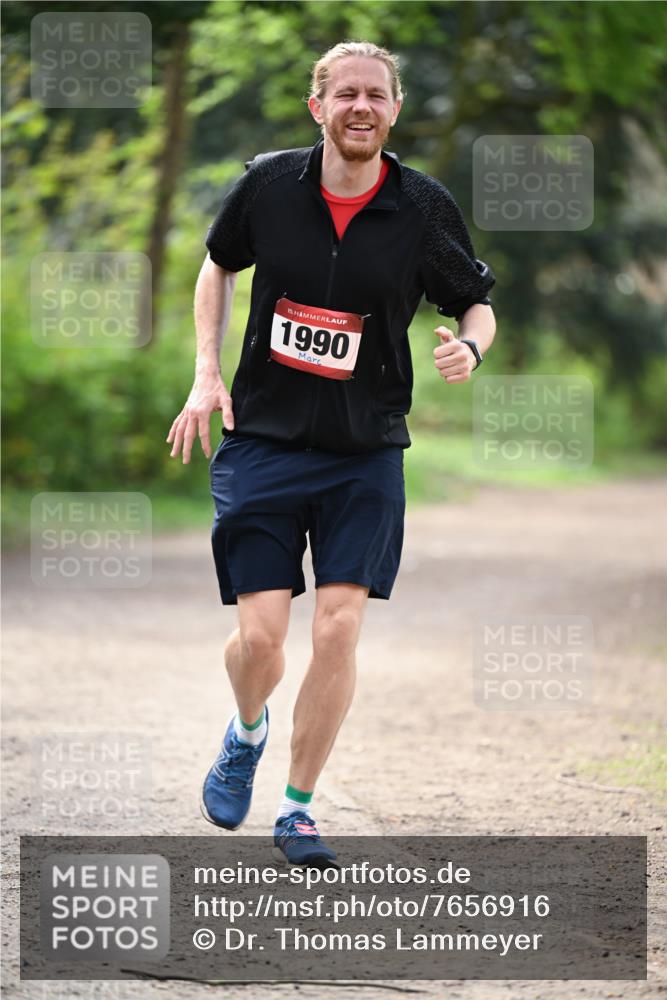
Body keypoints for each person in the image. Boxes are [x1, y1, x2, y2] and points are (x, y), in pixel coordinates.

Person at [167, 41, 496, 867]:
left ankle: (299, 808)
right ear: (318, 107)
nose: (361, 107)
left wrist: (470, 349)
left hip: (364, 451)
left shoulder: (422, 207)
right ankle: (247, 730)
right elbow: (216, 268)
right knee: (262, 641)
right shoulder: (270, 186)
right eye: (344, 93)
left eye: (376, 95)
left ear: (392, 110)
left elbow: (475, 305)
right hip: (264, 441)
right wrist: (206, 373)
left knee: (340, 630)